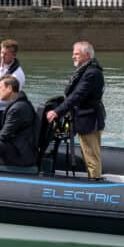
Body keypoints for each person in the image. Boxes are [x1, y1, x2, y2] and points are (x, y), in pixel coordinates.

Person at [46, 41, 106, 180]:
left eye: (76, 54)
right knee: (88, 153)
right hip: (84, 118)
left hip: (90, 119)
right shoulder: (86, 70)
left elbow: (77, 95)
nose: (73, 56)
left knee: (91, 154)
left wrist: (57, 112)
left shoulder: (92, 73)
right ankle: (93, 179)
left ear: (86, 55)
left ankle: (95, 181)